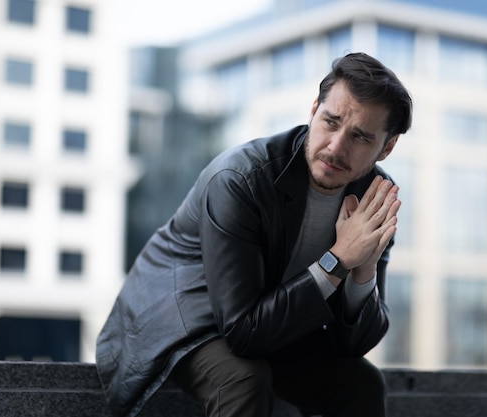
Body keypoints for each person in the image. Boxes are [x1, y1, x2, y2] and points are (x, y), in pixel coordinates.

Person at [96, 52, 413, 417]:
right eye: (330, 122)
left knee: (363, 383)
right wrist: (339, 260)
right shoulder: (241, 178)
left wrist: (363, 268)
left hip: (274, 319)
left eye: (359, 136)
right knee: (243, 378)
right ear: (313, 110)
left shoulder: (376, 197)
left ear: (386, 147)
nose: (335, 147)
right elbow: (243, 332)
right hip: (185, 320)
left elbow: (354, 344)